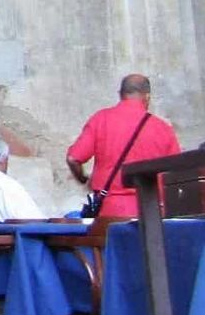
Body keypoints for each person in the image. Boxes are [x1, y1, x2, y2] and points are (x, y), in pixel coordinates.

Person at [67, 73, 181, 218]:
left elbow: (73, 158)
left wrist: (84, 179)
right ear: (147, 97)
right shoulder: (163, 129)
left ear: (120, 94)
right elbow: (176, 175)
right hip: (152, 212)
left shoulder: (101, 119)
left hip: (110, 211)